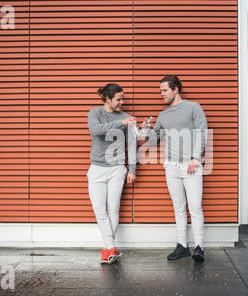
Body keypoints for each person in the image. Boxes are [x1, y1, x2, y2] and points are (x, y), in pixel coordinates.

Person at [144, 75, 208, 262]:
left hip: (191, 165)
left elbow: (201, 132)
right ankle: (182, 246)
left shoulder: (193, 107)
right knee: (179, 207)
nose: (161, 94)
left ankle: (199, 247)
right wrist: (145, 130)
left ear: (175, 90)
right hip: (171, 166)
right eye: (160, 91)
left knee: (195, 207)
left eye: (164, 90)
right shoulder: (163, 115)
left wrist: (196, 158)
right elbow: (152, 140)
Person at [86, 83, 137, 264]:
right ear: (107, 99)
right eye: (118, 99)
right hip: (97, 168)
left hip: (117, 168)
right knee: (100, 210)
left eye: (123, 99)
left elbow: (131, 144)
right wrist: (120, 123)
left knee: (113, 209)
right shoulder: (95, 113)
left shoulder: (126, 117)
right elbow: (95, 130)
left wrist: (132, 169)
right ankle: (111, 247)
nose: (122, 102)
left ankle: (109, 249)